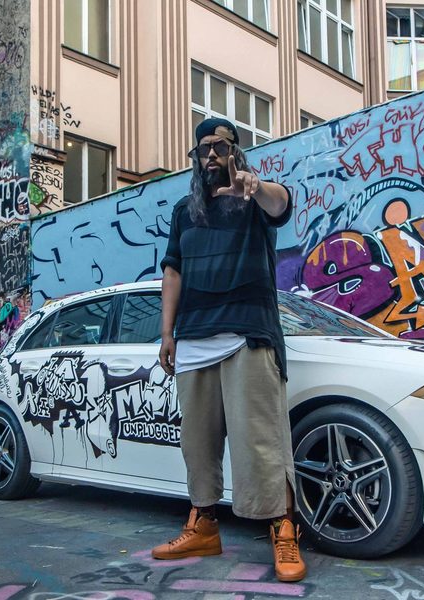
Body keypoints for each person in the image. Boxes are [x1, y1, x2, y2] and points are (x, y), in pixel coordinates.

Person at [153, 117, 306, 582]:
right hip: (194, 337)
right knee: (197, 445)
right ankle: (203, 526)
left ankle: (283, 530)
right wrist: (167, 334)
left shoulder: (254, 199)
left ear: (236, 152)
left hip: (247, 333)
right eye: (203, 149)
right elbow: (173, 272)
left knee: (260, 442)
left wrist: (255, 187)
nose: (212, 156)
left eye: (221, 147)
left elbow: (281, 204)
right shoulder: (185, 211)